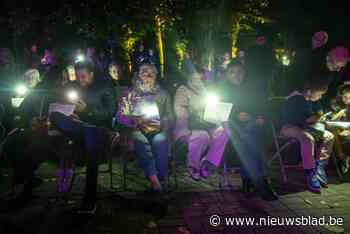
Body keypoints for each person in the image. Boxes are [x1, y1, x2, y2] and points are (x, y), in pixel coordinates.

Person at [217, 60, 277, 201]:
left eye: (239, 72)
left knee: (249, 134)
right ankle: (261, 181)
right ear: (227, 75)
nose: (236, 75)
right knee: (247, 137)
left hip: (252, 125)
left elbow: (262, 106)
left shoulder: (252, 88)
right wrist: (235, 115)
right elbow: (219, 112)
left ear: (244, 73)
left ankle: (248, 181)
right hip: (232, 126)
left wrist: (259, 117)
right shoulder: (222, 90)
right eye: (232, 72)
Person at [116, 63, 173, 192]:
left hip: (158, 129)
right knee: (140, 141)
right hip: (136, 129)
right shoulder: (130, 94)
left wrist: (164, 122)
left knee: (161, 141)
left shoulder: (163, 94)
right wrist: (133, 119)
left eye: (151, 73)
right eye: (144, 72)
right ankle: (155, 180)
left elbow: (170, 115)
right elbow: (120, 116)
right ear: (138, 75)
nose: (147, 76)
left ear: (155, 76)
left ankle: (160, 178)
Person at [174, 65, 230, 181]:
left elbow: (215, 107)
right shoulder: (183, 90)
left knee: (225, 131)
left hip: (207, 124)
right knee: (201, 136)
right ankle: (193, 166)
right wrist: (185, 126)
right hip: (189, 126)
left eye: (201, 79)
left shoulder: (207, 91)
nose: (198, 82)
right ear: (189, 78)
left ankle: (208, 163)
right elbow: (180, 111)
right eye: (195, 79)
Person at [280, 79, 334, 193]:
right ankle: (310, 172)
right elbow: (296, 119)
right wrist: (314, 118)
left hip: (305, 127)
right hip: (288, 127)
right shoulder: (295, 99)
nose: (320, 97)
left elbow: (314, 115)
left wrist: (318, 116)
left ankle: (319, 166)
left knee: (330, 136)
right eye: (319, 94)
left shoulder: (310, 100)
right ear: (309, 91)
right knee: (307, 139)